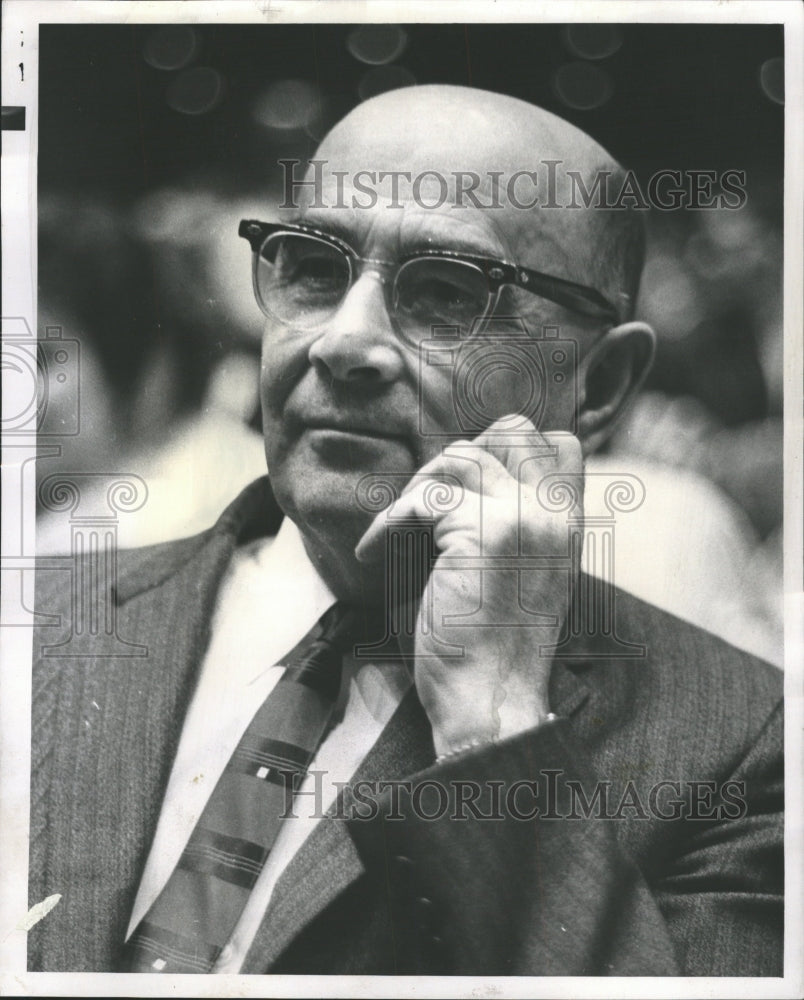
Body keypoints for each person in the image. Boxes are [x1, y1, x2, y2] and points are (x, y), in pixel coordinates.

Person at [29, 85, 782, 977]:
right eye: (312, 269)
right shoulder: (42, 614)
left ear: (603, 383)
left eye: (445, 292)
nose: (344, 343)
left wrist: (494, 724)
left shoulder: (739, 744)